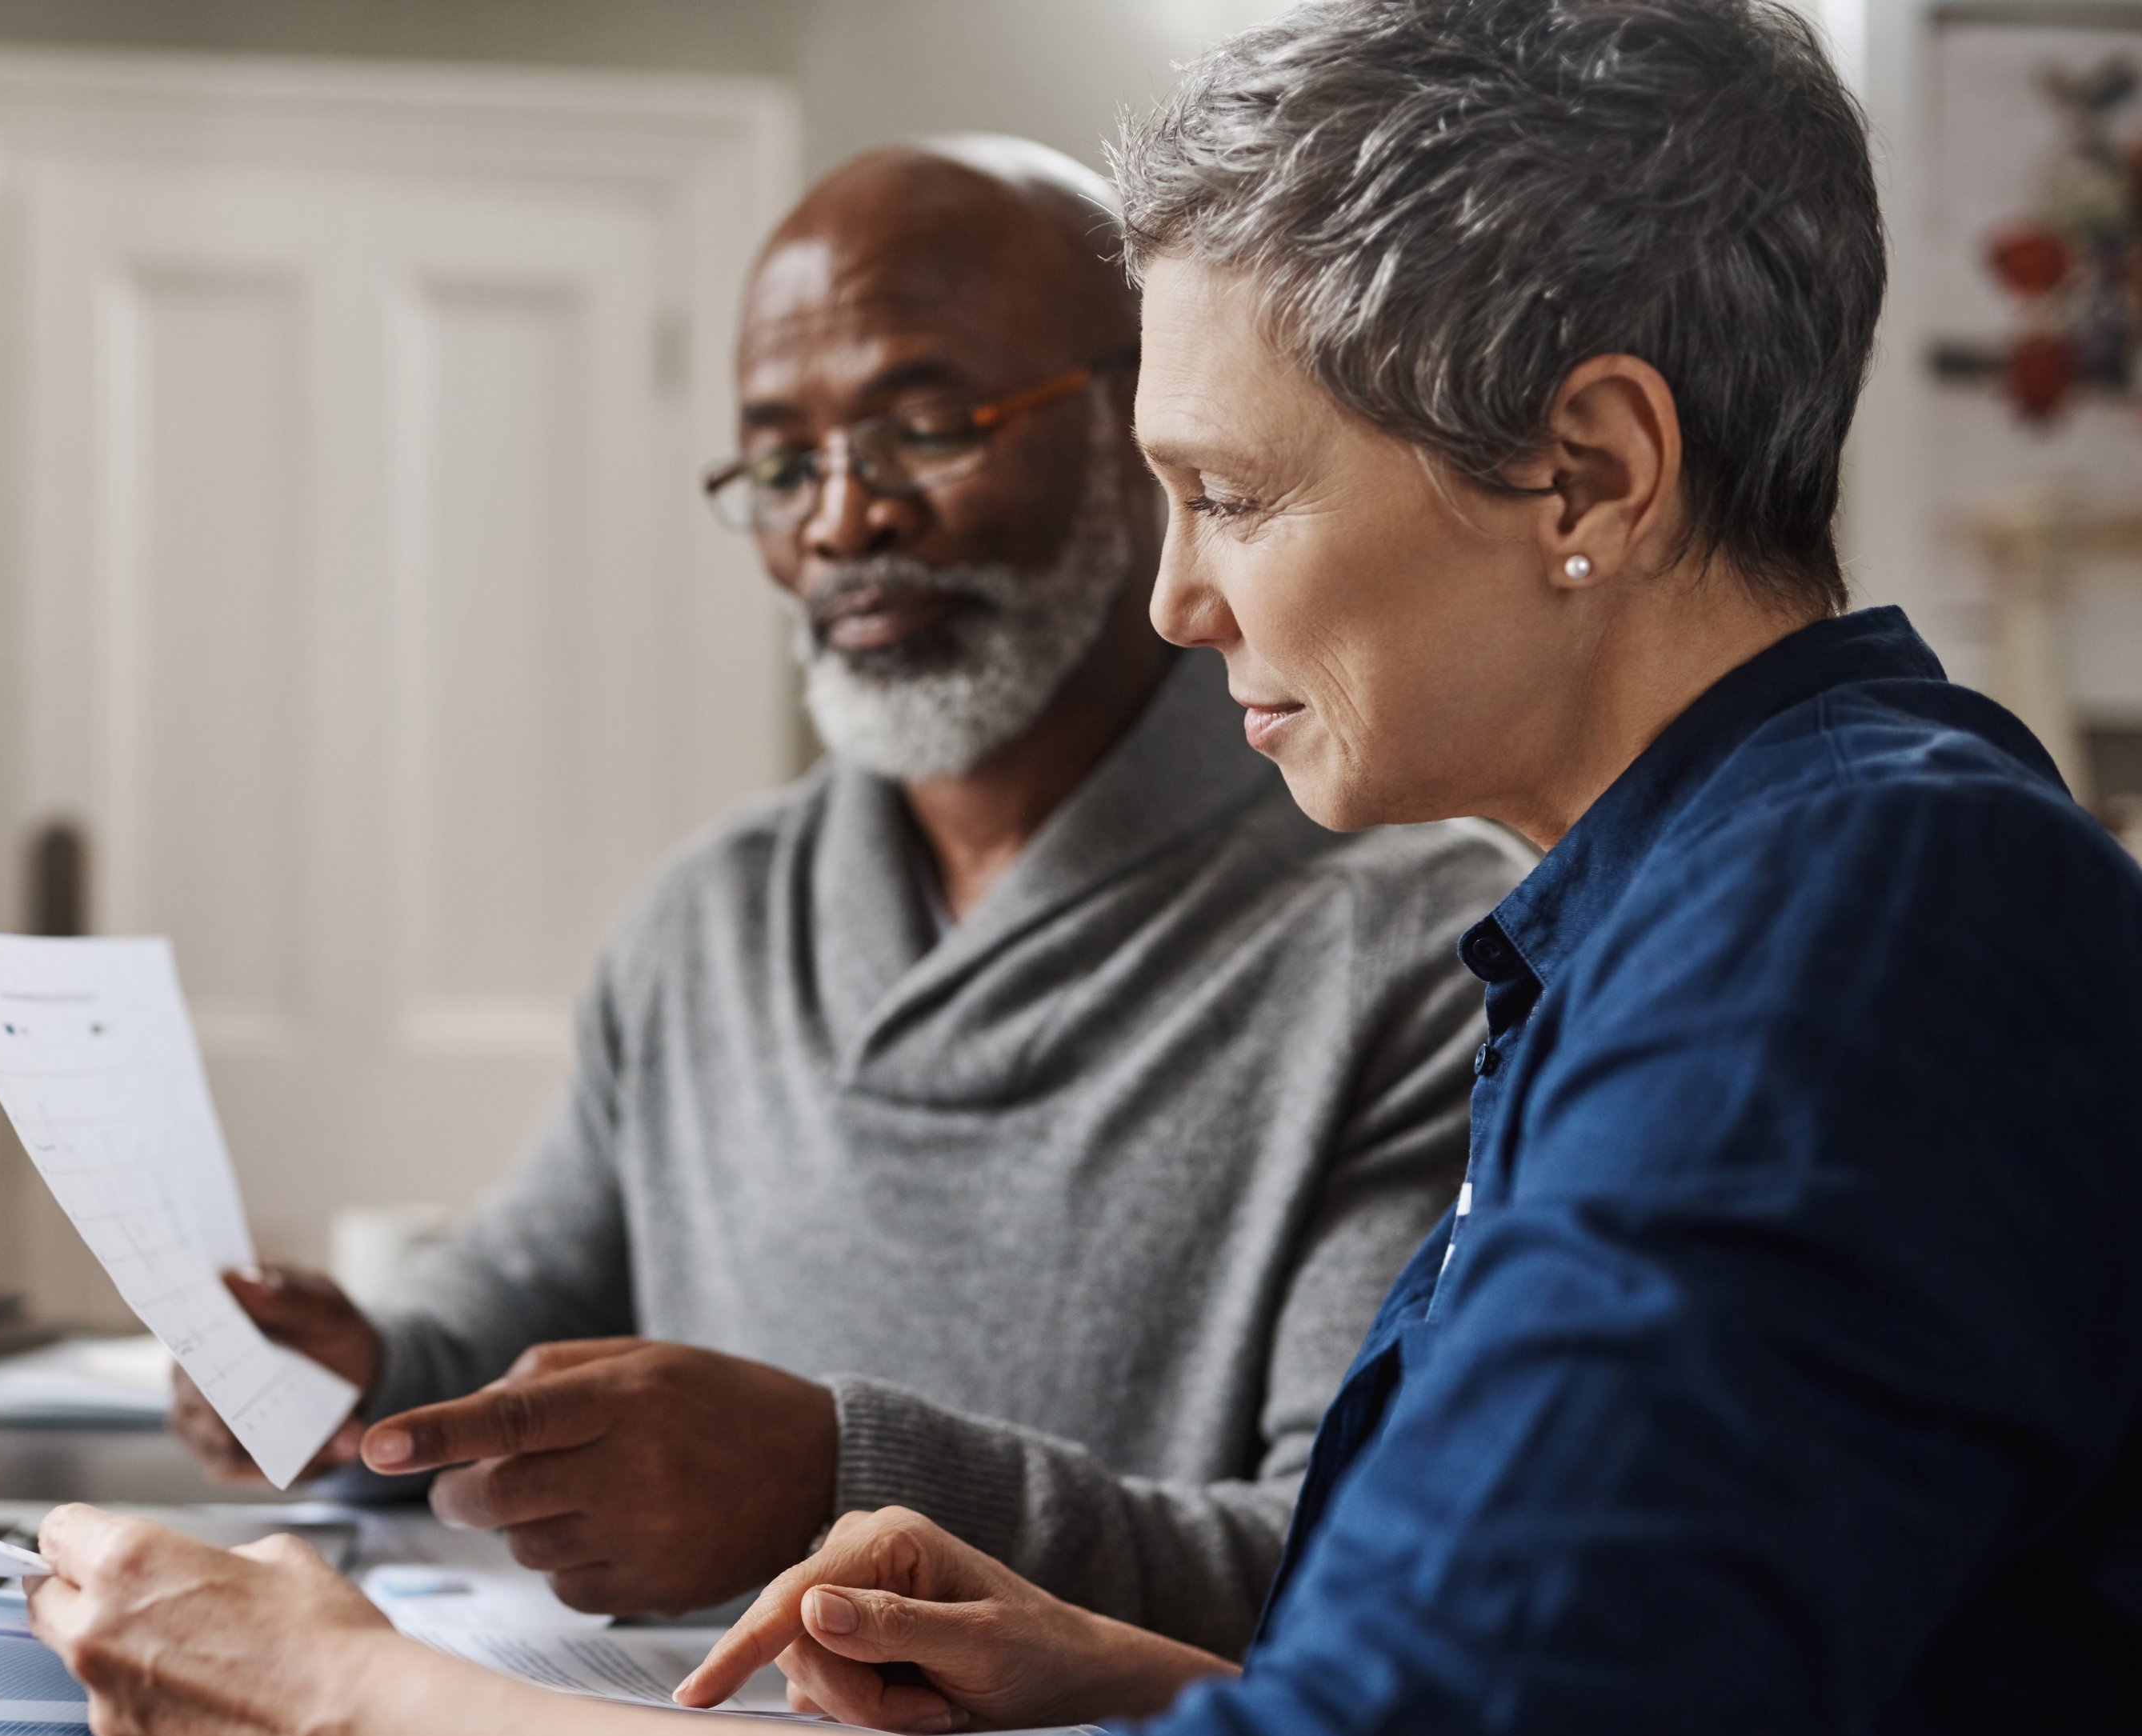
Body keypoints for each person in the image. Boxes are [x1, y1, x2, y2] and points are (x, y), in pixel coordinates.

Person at [26, 0, 2142, 1736]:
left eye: (1231, 492)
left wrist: (353, 1723)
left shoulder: (1849, 924)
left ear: (1587, 472)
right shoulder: (1687, 911)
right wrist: (1140, 1678)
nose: (1178, 595)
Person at [178, 137, 1527, 1646]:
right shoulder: (713, 920)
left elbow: (1357, 1562)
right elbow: (501, 1309)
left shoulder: (1427, 948)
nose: (837, 520)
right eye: (779, 460)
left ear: (1146, 426)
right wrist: (359, 1383)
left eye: (926, 423)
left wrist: (839, 1483)